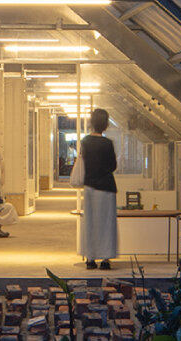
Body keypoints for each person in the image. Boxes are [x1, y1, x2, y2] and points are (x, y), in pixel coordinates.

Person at [77, 108, 117, 270]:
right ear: (106, 125)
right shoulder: (107, 144)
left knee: (90, 223)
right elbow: (113, 166)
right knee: (106, 224)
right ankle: (106, 259)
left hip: (90, 187)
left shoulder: (85, 142)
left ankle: (90, 258)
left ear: (91, 123)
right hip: (106, 188)